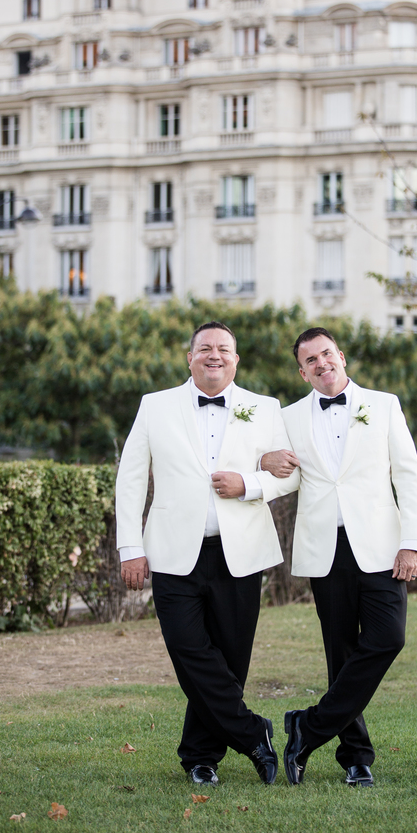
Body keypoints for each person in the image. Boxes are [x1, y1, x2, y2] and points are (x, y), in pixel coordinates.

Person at [115, 321, 299, 786]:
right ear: (190, 358)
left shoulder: (264, 407)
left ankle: (201, 757)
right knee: (189, 652)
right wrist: (130, 547)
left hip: (241, 553)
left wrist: (249, 484)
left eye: (224, 349)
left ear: (236, 360)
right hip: (173, 553)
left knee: (230, 661)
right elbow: (132, 478)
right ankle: (253, 732)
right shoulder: (155, 406)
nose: (214, 354)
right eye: (205, 348)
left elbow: (290, 473)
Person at [262, 326, 417, 787]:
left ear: (342, 357)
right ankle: (356, 757)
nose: (321, 363)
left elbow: (408, 477)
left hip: (380, 547)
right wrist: (255, 473)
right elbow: (284, 478)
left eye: (327, 354)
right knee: (341, 654)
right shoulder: (290, 417)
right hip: (324, 550)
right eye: (310, 360)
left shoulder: (384, 404)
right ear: (302, 372)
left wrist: (412, 542)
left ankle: (308, 728)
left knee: (388, 638)